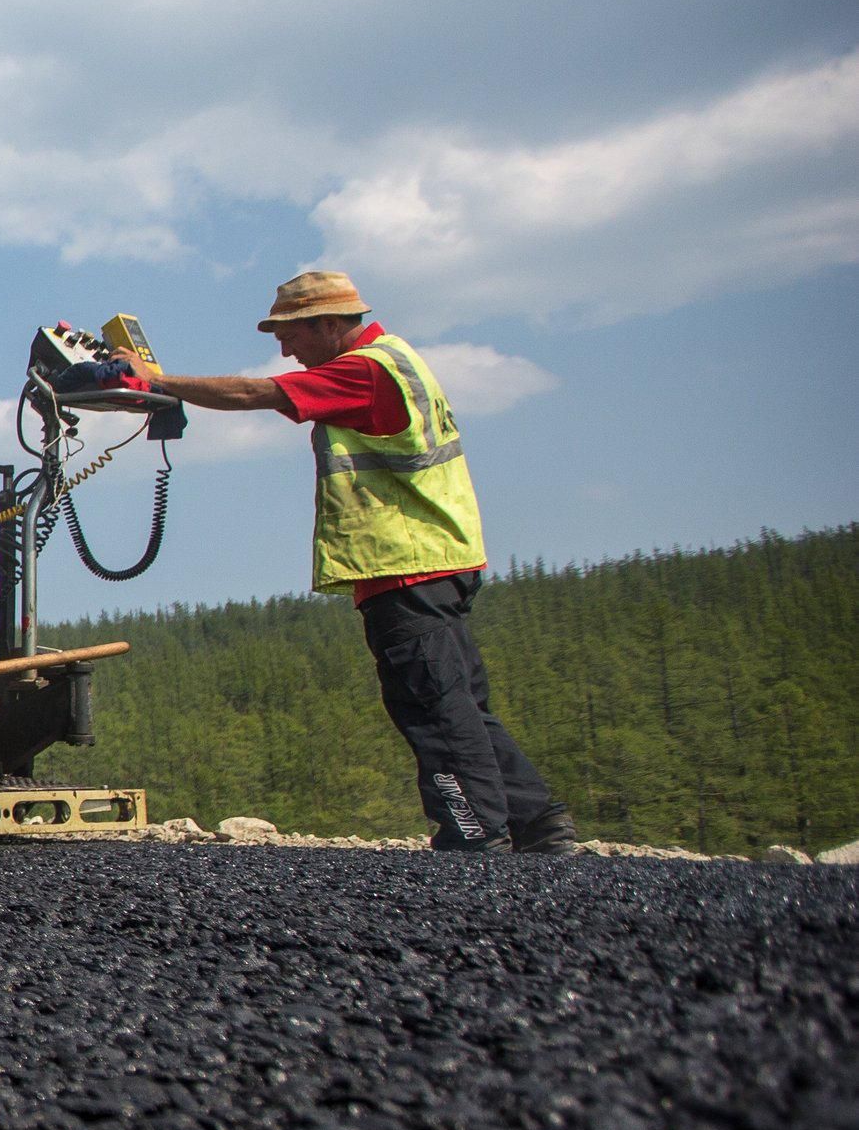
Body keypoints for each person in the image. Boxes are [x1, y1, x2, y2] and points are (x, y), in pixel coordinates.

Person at [118, 269, 575, 854]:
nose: (284, 348)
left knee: (431, 705)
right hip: (437, 560)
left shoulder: (366, 369)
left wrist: (155, 379)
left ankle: (473, 832)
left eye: (291, 333)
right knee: (461, 702)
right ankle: (537, 824)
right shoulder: (396, 358)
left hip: (404, 565)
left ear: (331, 324)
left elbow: (257, 393)